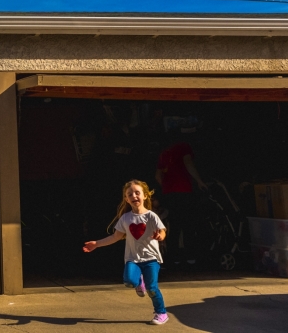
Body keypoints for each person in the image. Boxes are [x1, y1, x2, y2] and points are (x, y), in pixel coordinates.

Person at [83, 180, 168, 325]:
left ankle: (161, 313)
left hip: (151, 259)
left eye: (137, 193)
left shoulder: (151, 216)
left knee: (152, 288)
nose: (134, 196)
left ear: (145, 196)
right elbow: (115, 237)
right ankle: (138, 282)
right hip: (133, 259)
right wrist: (96, 244)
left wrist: (160, 236)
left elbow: (163, 231)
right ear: (126, 199)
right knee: (129, 281)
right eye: (130, 194)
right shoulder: (125, 218)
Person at [155, 139, 208, 266]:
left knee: (174, 224)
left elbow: (157, 175)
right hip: (184, 190)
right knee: (188, 224)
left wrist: (167, 187)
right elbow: (188, 163)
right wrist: (199, 181)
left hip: (169, 193)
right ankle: (189, 255)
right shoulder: (184, 147)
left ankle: (173, 257)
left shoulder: (165, 152)